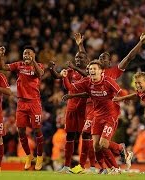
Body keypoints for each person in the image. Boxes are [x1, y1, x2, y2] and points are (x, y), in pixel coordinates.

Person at [61, 60, 127, 174]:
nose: (92, 71)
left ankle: (120, 149)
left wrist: (121, 98)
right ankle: (111, 168)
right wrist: (64, 77)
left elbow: (122, 93)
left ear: (101, 71)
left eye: (94, 69)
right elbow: (70, 87)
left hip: (110, 115)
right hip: (97, 115)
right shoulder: (87, 81)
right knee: (96, 146)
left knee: (103, 143)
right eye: (90, 69)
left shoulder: (108, 81)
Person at [0, 45, 45, 170]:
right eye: (24, 53)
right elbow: (2, 67)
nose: (26, 55)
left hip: (34, 102)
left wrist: (32, 61)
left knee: (37, 130)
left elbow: (40, 74)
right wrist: (1, 55)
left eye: (29, 53)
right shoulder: (19, 65)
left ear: (34, 55)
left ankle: (39, 157)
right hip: (21, 103)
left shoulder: (39, 65)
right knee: (21, 131)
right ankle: (29, 156)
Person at [49, 33, 89, 173]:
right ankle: (66, 166)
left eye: (81, 57)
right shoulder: (71, 71)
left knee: (86, 136)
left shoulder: (90, 72)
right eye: (76, 57)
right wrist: (51, 69)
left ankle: (84, 166)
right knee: (70, 136)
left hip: (85, 109)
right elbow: (59, 76)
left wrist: (80, 45)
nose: (78, 59)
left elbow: (87, 82)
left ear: (87, 60)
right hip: (72, 107)